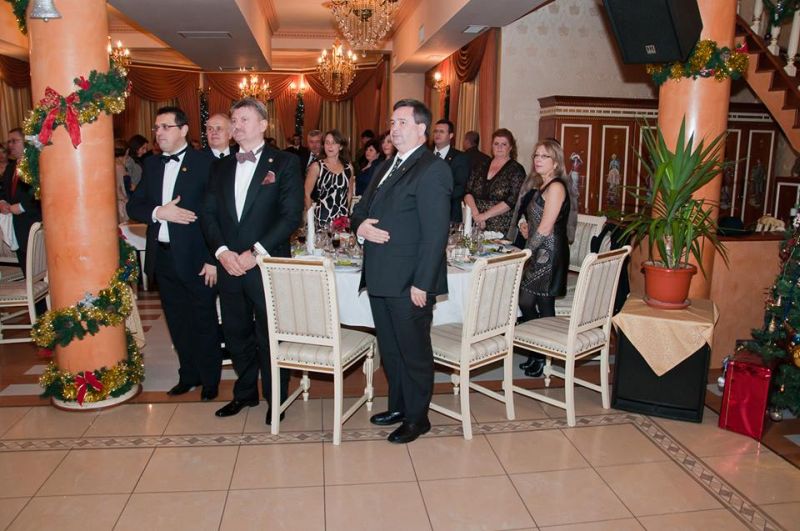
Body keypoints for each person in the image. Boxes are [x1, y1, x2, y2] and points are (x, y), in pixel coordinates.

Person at [351, 99, 452, 444]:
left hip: (410, 281)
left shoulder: (432, 169)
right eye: (392, 122)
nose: (394, 128)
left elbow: (436, 234)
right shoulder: (386, 165)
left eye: (402, 122)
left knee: (413, 353)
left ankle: (417, 417)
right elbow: (360, 209)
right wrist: (360, 226)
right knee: (391, 351)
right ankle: (398, 406)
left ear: (422, 129)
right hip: (380, 276)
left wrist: (423, 283)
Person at [201, 97, 303, 423]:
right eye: (234, 120)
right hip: (230, 265)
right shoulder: (220, 166)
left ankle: (276, 399)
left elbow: (290, 216)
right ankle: (245, 393)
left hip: (267, 265)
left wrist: (255, 252)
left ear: (263, 124)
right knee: (236, 332)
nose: (237, 125)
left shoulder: (285, 162)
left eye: (244, 119)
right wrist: (221, 252)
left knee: (271, 335)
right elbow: (209, 214)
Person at [126, 106, 223, 399]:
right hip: (164, 258)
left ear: (183, 130)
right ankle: (188, 375)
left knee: (204, 321)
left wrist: (213, 259)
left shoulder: (205, 162)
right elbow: (134, 205)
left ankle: (210, 380)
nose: (159, 133)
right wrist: (160, 212)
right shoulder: (153, 165)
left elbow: (219, 214)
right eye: (156, 128)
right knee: (177, 322)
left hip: (198, 258)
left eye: (166, 127)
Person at [507, 139, 570, 377]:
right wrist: (524, 226)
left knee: (541, 305)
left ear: (556, 162)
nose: (538, 160)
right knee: (528, 302)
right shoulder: (542, 185)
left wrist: (526, 252)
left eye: (544, 156)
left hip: (549, 253)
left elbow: (546, 228)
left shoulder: (556, 186)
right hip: (539, 250)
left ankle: (543, 357)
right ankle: (538, 353)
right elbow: (535, 219)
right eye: (536, 155)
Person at [463, 128, 526, 233]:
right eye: (496, 144)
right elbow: (467, 192)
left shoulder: (516, 170)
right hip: (475, 223)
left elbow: (511, 201)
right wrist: (476, 215)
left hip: (500, 229)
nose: (499, 147)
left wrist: (484, 216)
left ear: (510, 147)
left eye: (504, 144)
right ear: (492, 146)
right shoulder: (480, 165)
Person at [0, 128, 41, 274]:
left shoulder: (35, 164)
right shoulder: (10, 167)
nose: (10, 145)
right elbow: (3, 191)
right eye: (9, 142)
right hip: (16, 226)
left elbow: (41, 191)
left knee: (38, 270)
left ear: (26, 142)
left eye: (14, 141)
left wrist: (23, 206)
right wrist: (2, 202)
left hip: (33, 222)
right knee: (26, 269)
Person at [304, 129, 354, 224]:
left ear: (340, 146)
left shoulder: (349, 168)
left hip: (341, 219)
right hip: (321, 218)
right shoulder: (317, 166)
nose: (330, 146)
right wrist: (311, 218)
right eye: (327, 143)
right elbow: (306, 194)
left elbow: (349, 193)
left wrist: (344, 213)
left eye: (334, 143)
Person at [432, 119, 470, 223]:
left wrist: (439, 197)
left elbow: (461, 186)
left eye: (442, 131)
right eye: (436, 131)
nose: (437, 134)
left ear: (451, 135)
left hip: (449, 212)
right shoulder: (425, 156)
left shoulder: (460, 157)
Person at [114, 139, 129, 222]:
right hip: (121, 202)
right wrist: (126, 200)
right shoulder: (119, 166)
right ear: (126, 151)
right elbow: (118, 188)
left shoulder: (113, 164)